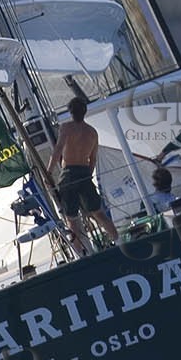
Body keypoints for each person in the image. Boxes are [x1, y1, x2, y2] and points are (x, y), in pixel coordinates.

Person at [50, 96, 118, 251]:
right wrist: (88, 175)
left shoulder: (66, 128)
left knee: (72, 218)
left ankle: (80, 252)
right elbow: (93, 159)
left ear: (70, 112)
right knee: (98, 212)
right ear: (84, 112)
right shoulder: (92, 132)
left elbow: (58, 150)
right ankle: (118, 240)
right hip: (85, 172)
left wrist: (49, 171)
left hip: (68, 174)